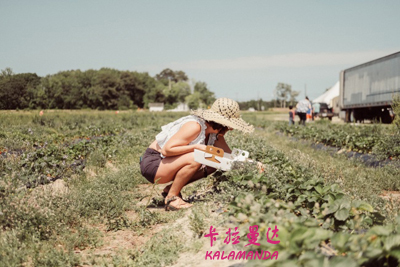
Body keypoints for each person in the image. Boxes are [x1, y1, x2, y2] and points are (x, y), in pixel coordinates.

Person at [139, 98, 254, 211]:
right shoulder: (195, 126)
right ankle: (172, 199)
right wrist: (196, 147)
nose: (231, 129)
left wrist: (252, 163)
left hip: (167, 163)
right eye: (230, 125)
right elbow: (167, 150)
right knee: (197, 156)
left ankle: (170, 189)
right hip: (154, 164)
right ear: (221, 123)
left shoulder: (214, 133)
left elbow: (228, 156)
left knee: (215, 162)